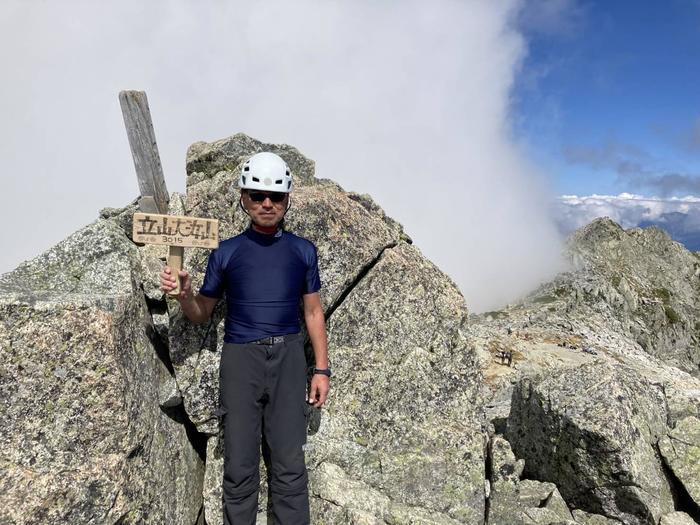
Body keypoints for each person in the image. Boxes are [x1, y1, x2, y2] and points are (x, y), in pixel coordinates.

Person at [160, 151, 330, 524]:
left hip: (288, 359)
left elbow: (313, 313)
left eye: (276, 197)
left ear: (287, 200)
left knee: (289, 465)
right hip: (240, 362)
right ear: (243, 198)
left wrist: (322, 370)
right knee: (239, 465)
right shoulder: (227, 251)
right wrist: (185, 294)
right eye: (257, 195)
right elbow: (201, 313)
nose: (267, 204)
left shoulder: (303, 251)